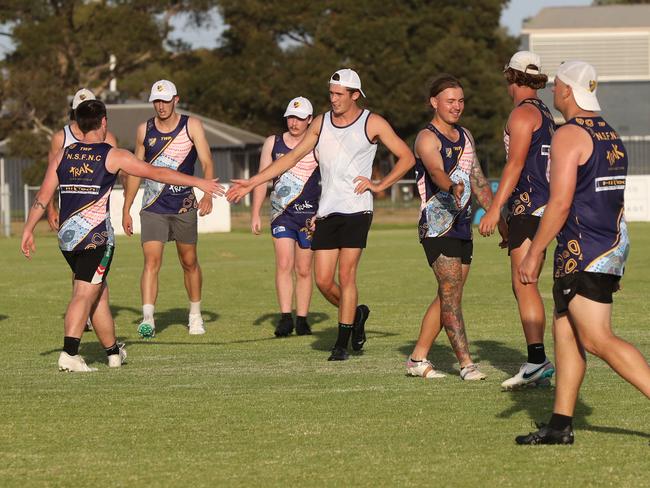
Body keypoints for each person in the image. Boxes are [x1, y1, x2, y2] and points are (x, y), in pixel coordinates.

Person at [20, 100, 223, 372]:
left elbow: (43, 196)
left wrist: (28, 229)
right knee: (84, 293)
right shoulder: (112, 155)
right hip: (96, 239)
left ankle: (113, 353)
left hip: (67, 240)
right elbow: (157, 172)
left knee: (98, 293)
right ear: (103, 122)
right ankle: (69, 353)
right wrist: (198, 181)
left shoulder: (63, 155)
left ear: (78, 124)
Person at [228, 68, 415, 360]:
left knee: (346, 274)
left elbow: (407, 157)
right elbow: (291, 157)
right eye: (331, 93)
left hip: (357, 209)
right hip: (326, 211)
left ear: (355, 95)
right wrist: (253, 181)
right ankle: (357, 313)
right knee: (324, 281)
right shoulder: (321, 123)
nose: (334, 99)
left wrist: (379, 185)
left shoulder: (372, 122)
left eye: (339, 94)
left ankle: (341, 344)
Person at [515, 61, 650, 444]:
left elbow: (559, 203)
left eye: (557, 87)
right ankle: (560, 426)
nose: (553, 93)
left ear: (568, 92)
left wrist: (533, 252)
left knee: (596, 338)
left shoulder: (568, 135)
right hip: (607, 245)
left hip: (584, 250)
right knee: (567, 335)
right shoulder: (609, 134)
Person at [405, 74, 495, 381]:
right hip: (436, 227)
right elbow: (436, 171)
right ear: (434, 102)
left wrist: (497, 214)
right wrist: (451, 187)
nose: (456, 107)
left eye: (460, 101)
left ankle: (417, 358)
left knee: (449, 295)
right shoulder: (426, 138)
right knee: (450, 292)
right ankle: (466, 364)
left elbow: (478, 179)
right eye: (450, 101)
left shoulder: (466, 136)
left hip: (462, 226)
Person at [478, 51, 556, 389]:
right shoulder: (545, 113)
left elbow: (515, 165)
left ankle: (538, 360)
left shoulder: (522, 114)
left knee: (524, 283)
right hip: (541, 207)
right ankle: (539, 358)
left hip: (530, 206)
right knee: (528, 283)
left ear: (511, 75)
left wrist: (495, 209)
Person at [122, 80, 217, 338]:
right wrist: (126, 208)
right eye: (156, 101)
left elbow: (207, 162)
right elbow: (134, 171)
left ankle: (195, 315)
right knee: (151, 261)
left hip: (184, 205)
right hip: (153, 206)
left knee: (189, 262)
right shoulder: (145, 130)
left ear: (176, 99)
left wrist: (206, 194)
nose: (161, 106)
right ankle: (148, 319)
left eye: (165, 100)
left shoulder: (192, 126)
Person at [46, 88, 119, 332]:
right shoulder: (61, 139)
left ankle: (109, 348)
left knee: (90, 282)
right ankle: (75, 345)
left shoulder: (106, 139)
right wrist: (50, 209)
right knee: (86, 283)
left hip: (96, 221)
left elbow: (121, 169)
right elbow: (50, 180)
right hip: (72, 221)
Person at [250, 96, 319, 337]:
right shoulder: (273, 143)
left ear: (310, 120)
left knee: (303, 269)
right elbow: (262, 178)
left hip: (310, 216)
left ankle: (302, 319)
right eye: (291, 117)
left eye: (300, 118)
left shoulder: (317, 144)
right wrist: (256, 212)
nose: (294, 122)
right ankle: (285, 318)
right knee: (283, 264)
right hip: (282, 215)